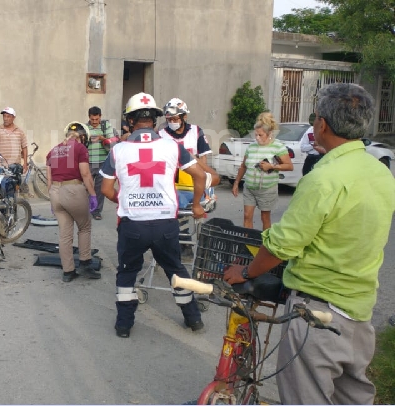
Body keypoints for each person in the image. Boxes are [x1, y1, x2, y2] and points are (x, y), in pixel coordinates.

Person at [223, 83, 395, 405]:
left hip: (317, 315)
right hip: (359, 314)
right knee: (354, 398)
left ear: (322, 124)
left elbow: (281, 245)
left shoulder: (323, 178)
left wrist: (247, 272)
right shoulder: (380, 172)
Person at [100, 92, 208, 338]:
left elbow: (106, 189)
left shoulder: (118, 151)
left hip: (132, 225)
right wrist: (197, 205)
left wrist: (124, 199)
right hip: (165, 225)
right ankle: (194, 320)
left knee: (127, 273)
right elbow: (200, 175)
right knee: (177, 271)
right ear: (156, 120)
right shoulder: (173, 146)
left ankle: (124, 325)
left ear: (129, 121)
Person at [46, 122, 101, 282]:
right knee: (84, 227)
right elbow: (85, 174)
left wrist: (51, 201)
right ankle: (85, 263)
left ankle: (68, 271)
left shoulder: (53, 151)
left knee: (65, 234)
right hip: (73, 190)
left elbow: (49, 179)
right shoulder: (80, 148)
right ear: (83, 137)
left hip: (55, 192)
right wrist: (92, 195)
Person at [231, 112, 293, 230]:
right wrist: (236, 183)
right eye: (256, 135)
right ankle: (247, 243)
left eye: (260, 135)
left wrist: (272, 166)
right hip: (249, 188)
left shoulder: (278, 147)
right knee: (247, 216)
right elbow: (243, 166)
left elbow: (289, 166)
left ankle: (264, 244)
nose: (257, 138)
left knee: (265, 217)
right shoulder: (251, 147)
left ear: (269, 133)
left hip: (267, 189)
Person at [159, 98, 219, 209]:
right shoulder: (161, 135)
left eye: (175, 119)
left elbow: (203, 158)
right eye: (169, 119)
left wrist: (204, 188)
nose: (172, 122)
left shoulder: (196, 131)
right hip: (172, 185)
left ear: (184, 116)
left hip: (194, 183)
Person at [85, 106, 119, 220]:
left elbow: (112, 142)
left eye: (96, 119)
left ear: (100, 117)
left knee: (99, 189)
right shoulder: (85, 128)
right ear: (89, 117)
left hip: (102, 162)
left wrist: (101, 138)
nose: (94, 122)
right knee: (86, 187)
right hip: (89, 163)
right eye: (92, 119)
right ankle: (85, 209)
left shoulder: (106, 126)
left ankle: (96, 211)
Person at [0, 107, 28, 176]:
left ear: (13, 118)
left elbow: (24, 147)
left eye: (8, 116)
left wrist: (25, 163)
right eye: (4, 116)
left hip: (15, 167)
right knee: (0, 184)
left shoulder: (19, 132)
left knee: (15, 186)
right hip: (0, 167)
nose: (5, 119)